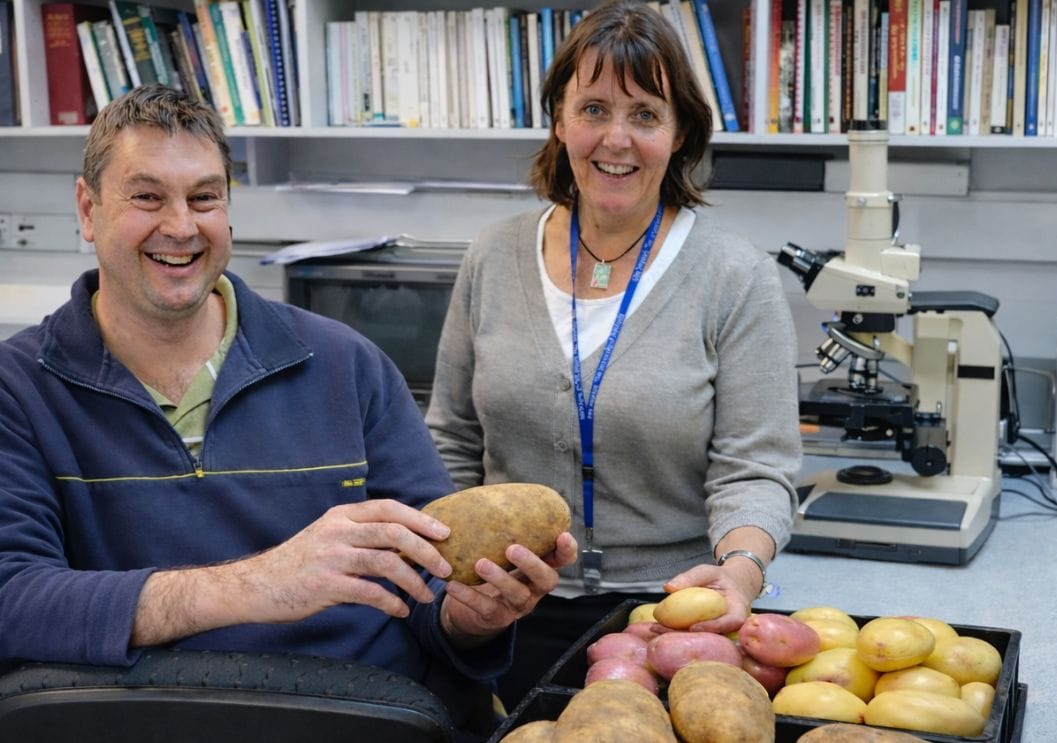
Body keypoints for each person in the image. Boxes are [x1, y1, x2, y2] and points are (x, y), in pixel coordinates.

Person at [0, 85, 576, 733]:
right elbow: (12, 598)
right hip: (135, 724)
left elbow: (428, 585)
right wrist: (261, 584)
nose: (182, 226)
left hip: (355, 719)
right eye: (146, 196)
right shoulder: (17, 388)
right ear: (87, 208)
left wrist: (469, 619)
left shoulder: (347, 365)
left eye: (204, 196)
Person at [425, 0, 803, 710]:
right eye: (594, 108)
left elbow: (757, 466)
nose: (616, 139)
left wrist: (740, 573)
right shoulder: (494, 255)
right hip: (497, 607)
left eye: (645, 114)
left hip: (670, 617)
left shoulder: (735, 276)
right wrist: (450, 581)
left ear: (681, 131)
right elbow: (450, 439)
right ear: (560, 121)